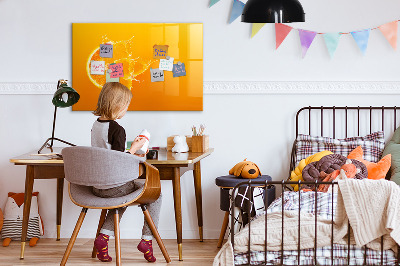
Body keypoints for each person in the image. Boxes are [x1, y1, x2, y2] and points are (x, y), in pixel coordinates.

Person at [91, 82, 162, 263]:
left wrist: (132, 150)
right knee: (156, 194)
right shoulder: (117, 129)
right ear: (118, 105)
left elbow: (108, 154)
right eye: (126, 106)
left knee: (121, 198)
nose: (126, 110)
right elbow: (119, 160)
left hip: (97, 186)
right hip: (114, 186)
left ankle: (104, 238)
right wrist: (136, 149)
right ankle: (147, 240)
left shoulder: (96, 125)